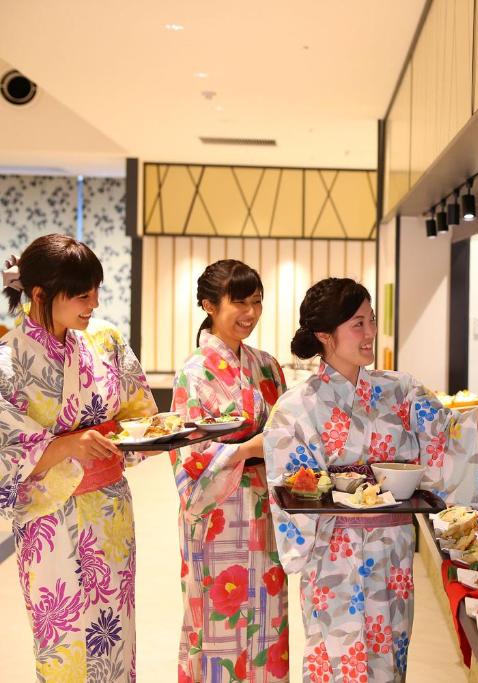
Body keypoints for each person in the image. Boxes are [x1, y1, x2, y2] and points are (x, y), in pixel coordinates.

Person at [263, 277, 478, 682]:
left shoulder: (400, 389)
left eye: (372, 320)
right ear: (325, 335)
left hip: (391, 550)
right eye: (358, 324)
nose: (370, 333)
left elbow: (452, 436)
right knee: (336, 661)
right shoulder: (294, 408)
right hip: (333, 555)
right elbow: (292, 490)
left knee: (389, 657)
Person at [0, 234, 157, 681]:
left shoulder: (106, 341)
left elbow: (140, 413)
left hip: (109, 510)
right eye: (82, 296)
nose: (94, 304)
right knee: (62, 640)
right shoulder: (7, 362)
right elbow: (6, 450)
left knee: (114, 630)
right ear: (40, 295)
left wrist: (126, 437)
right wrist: (69, 445)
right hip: (49, 520)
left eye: (95, 292)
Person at [171, 260, 289, 682]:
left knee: (267, 619)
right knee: (216, 621)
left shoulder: (267, 365)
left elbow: (287, 434)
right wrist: (248, 449)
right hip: (217, 516)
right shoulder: (194, 371)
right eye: (239, 302)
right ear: (209, 305)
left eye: (257, 302)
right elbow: (188, 457)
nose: (250, 313)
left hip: (264, 512)